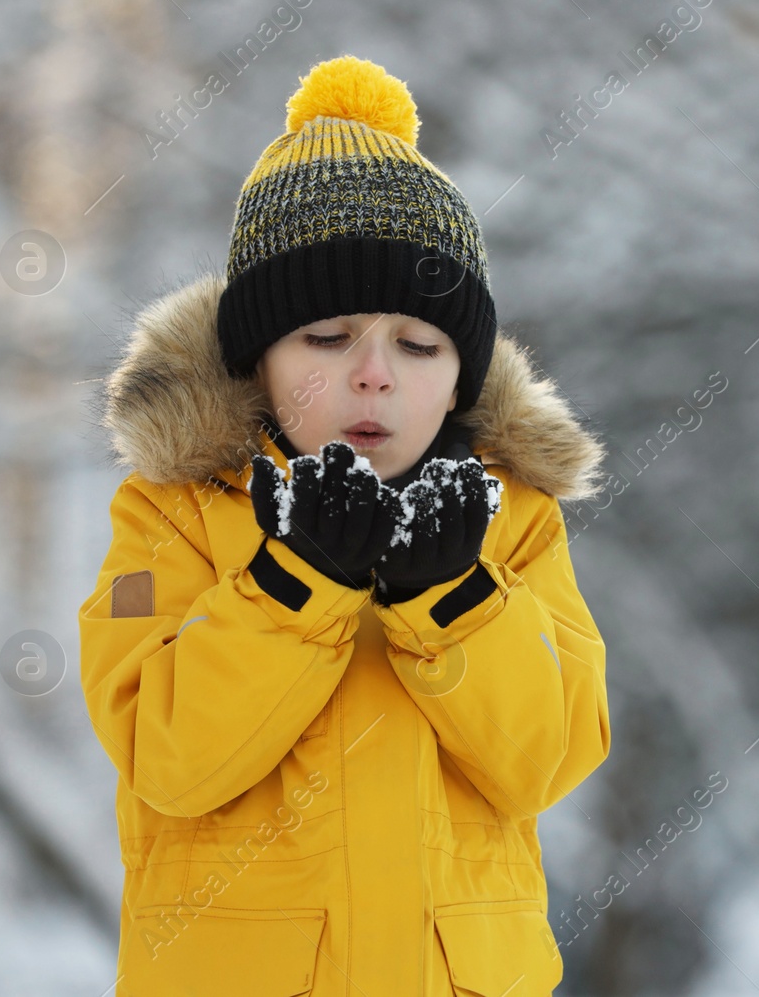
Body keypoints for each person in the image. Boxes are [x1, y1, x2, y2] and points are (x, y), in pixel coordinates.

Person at [78, 54, 611, 996]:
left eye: (418, 344)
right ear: (260, 359)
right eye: (327, 338)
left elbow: (545, 759)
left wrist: (458, 602)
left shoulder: (510, 519)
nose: (374, 374)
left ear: (461, 374)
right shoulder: (180, 509)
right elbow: (167, 757)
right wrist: (296, 586)